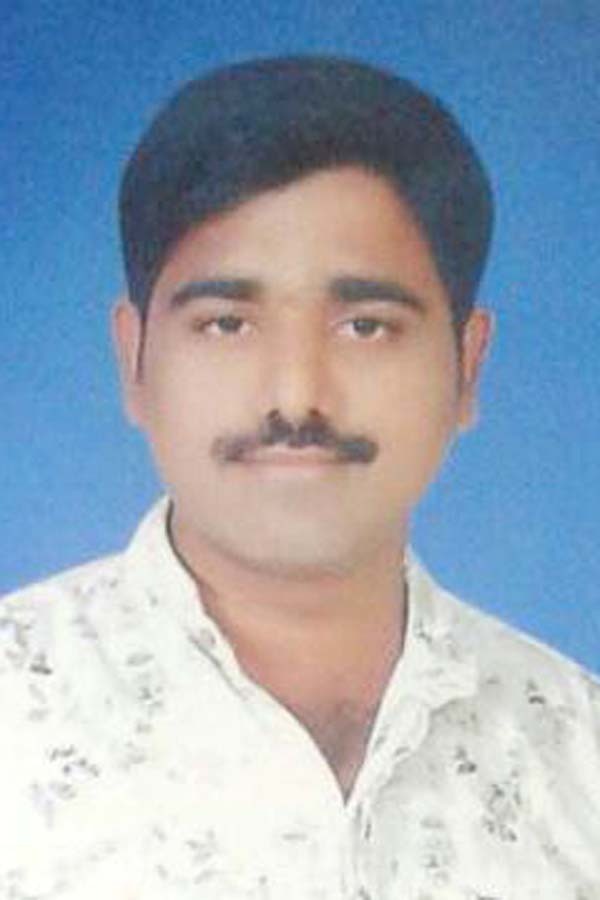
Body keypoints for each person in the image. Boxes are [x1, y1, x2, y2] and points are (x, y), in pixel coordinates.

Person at [1, 55, 598, 900]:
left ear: (468, 367)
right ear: (133, 360)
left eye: (366, 326)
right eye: (226, 323)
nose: (295, 395)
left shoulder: (577, 751)